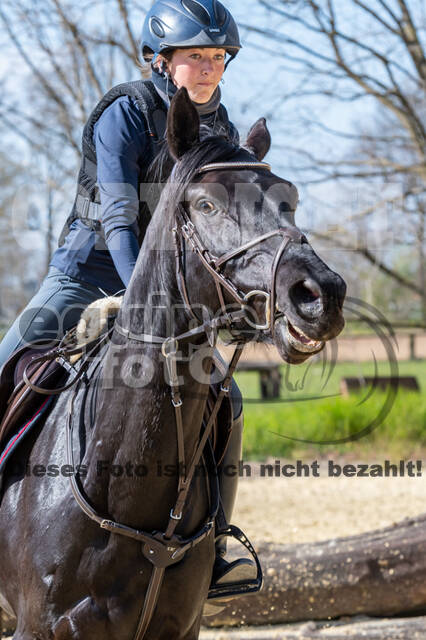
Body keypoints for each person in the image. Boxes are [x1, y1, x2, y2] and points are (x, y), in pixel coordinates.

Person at [0, 0, 254, 592]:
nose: (210, 68)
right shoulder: (126, 111)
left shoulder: (220, 131)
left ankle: (215, 544)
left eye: (218, 57)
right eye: (197, 56)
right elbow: (118, 217)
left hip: (170, 297)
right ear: (161, 61)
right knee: (4, 367)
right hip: (84, 277)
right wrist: (142, 295)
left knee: (228, 398)